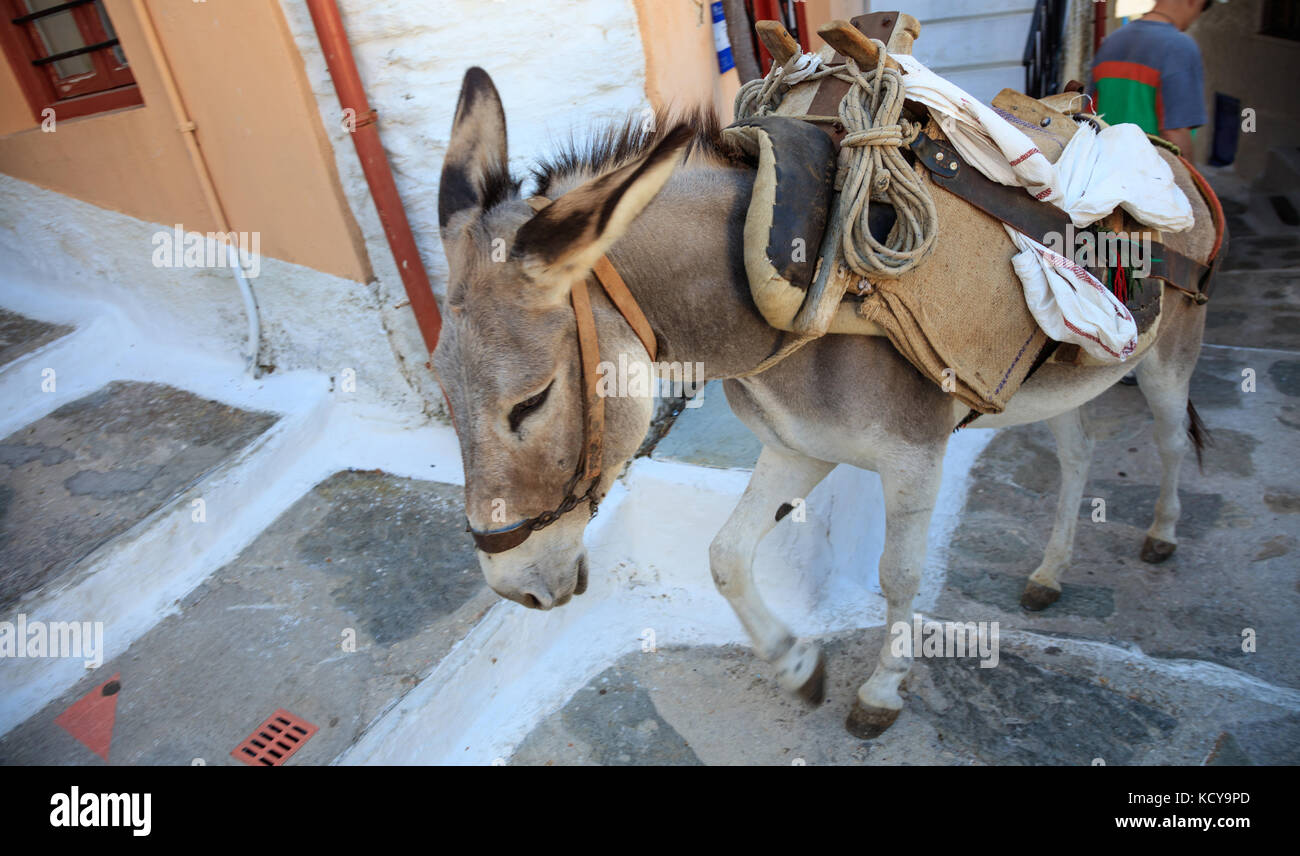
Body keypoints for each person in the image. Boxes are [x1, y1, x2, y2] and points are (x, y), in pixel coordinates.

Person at [1091, 0, 1213, 159]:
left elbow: (1090, 114)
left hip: (1104, 169)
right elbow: (1176, 132)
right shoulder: (1179, 47)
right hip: (1150, 176)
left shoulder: (1111, 42)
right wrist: (1189, 181)